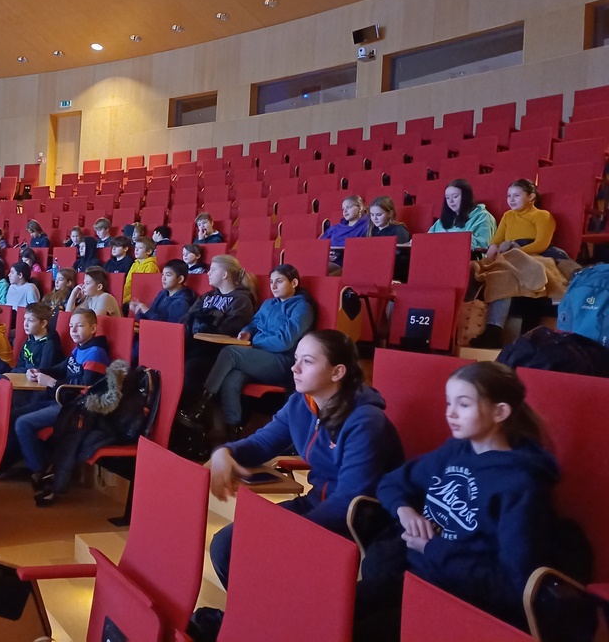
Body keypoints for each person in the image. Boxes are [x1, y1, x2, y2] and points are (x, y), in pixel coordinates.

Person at [354, 362, 557, 639]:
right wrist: (405, 511)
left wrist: (432, 548)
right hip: (416, 577)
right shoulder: (455, 450)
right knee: (332, 609)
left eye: (463, 404)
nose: (450, 413)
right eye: (448, 402)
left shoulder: (521, 484)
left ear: (500, 412)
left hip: (463, 601)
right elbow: (391, 483)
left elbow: (511, 585)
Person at [208, 330, 404, 589]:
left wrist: (293, 533)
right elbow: (262, 444)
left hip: (358, 521)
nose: (295, 368)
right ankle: (258, 609)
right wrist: (225, 452)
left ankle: (280, 608)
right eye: (296, 359)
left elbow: (348, 500)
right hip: (315, 503)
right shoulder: (301, 403)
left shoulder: (366, 421)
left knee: (264, 553)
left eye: (307, 361)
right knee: (226, 546)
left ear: (337, 372)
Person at [180, 264, 315, 437]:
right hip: (260, 358)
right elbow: (254, 323)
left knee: (230, 352)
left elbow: (284, 341)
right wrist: (247, 331)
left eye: (279, 281)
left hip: (282, 361)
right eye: (271, 282)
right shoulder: (268, 304)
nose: (273, 286)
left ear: (294, 283)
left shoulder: (302, 308)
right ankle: (234, 430)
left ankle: (199, 407)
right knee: (232, 378)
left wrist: (253, 342)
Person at [13, 309, 111, 498]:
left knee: (22, 423)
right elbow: (60, 368)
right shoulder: (79, 348)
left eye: (79, 326)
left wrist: (51, 382)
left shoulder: (96, 352)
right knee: (16, 414)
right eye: (71, 326)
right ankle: (40, 465)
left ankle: (41, 471)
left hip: (75, 408)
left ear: (93, 328)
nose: (73, 330)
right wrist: (38, 371)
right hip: (60, 399)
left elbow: (85, 387)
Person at [471, 179, 566, 348]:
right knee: (477, 269)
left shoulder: (542, 215)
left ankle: (494, 329)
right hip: (508, 255)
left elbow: (541, 244)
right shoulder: (508, 216)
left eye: (516, 195)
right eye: (509, 196)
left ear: (531, 197)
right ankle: (486, 328)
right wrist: (491, 254)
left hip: (534, 255)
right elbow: (496, 241)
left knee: (505, 274)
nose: (511, 199)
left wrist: (516, 251)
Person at [181, 255, 258, 405]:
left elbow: (229, 328)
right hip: (195, 345)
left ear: (224, 274)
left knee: (190, 368)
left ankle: (187, 409)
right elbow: (189, 317)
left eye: (213, 269)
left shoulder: (241, 300)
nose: (208, 273)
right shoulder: (207, 296)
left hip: (216, 353)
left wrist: (206, 323)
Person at [427, 178, 497, 250]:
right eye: (447, 198)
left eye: (455, 196)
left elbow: (482, 246)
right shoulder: (441, 221)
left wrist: (448, 239)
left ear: (466, 197)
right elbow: (426, 241)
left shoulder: (482, 217)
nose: (451, 201)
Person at [131, 259, 196, 326]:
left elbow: (169, 327)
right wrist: (139, 311)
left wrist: (147, 311)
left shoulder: (182, 302)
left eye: (168, 275)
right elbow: (149, 320)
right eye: (163, 274)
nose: (163, 278)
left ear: (180, 279)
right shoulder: (162, 293)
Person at [367, 196, 412, 282]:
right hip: (376, 268)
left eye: (379, 215)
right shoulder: (372, 230)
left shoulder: (399, 230)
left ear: (390, 213)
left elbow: (397, 256)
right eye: (372, 215)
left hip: (395, 272)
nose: (375, 218)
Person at [321, 194, 369, 270]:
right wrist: (326, 254)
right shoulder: (334, 228)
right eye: (343, 209)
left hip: (347, 264)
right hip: (326, 260)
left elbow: (363, 250)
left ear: (360, 208)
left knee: (315, 267)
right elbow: (319, 245)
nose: (345, 211)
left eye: (348, 207)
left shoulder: (367, 226)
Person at [123, 237, 159, 306]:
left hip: (140, 299)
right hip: (129, 298)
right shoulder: (134, 264)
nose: (136, 250)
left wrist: (125, 300)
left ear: (149, 251)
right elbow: (128, 283)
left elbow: (144, 289)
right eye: (136, 247)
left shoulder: (151, 265)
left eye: (140, 248)